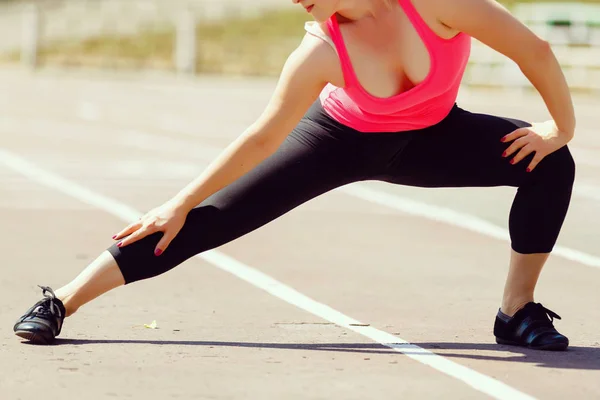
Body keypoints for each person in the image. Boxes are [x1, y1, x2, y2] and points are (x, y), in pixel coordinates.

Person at [14, 0, 576, 351]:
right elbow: (262, 137)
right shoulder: (319, 49)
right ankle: (61, 301)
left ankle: (516, 311)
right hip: (338, 140)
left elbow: (535, 50)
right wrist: (178, 201)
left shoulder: (437, 2)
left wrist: (560, 128)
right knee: (201, 220)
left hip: (432, 138)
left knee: (551, 163)